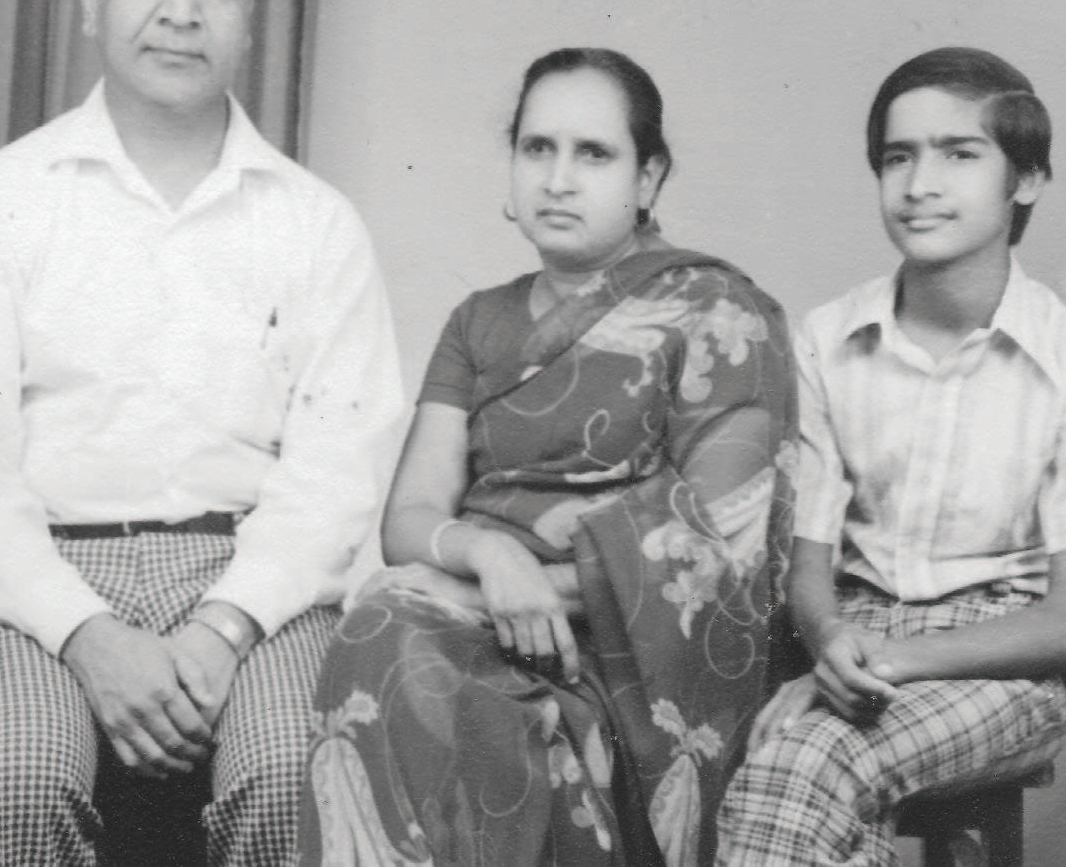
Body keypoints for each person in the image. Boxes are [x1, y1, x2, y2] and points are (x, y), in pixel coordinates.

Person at [0, 0, 402, 866]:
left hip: (248, 579)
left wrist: (224, 625)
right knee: (21, 776)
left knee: (294, 774)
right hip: (30, 578)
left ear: (248, 10)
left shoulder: (317, 225)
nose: (181, 10)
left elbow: (335, 477)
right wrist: (86, 633)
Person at [298, 47, 797, 867]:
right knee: (386, 635)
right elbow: (411, 517)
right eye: (538, 148)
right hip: (467, 621)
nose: (558, 179)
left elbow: (716, 551)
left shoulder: (720, 315)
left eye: (593, 154)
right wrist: (491, 558)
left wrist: (493, 594)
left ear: (648, 178)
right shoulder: (477, 322)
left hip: (621, 662)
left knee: (402, 642)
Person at [716, 48, 1066, 865]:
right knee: (740, 753)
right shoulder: (828, 339)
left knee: (808, 761)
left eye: (959, 154)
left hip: (1004, 667)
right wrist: (831, 641)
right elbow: (809, 561)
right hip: (850, 634)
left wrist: (890, 662)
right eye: (897, 157)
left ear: (1026, 179)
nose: (919, 184)